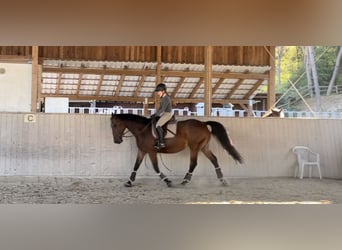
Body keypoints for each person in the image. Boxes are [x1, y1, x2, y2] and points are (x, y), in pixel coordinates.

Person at [151, 83, 173, 150]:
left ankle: (162, 142)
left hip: (168, 114)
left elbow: (163, 109)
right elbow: (160, 108)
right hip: (164, 113)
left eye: (158, 91)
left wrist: (156, 115)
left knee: (158, 125)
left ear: (163, 91)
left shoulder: (166, 98)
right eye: (157, 91)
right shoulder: (163, 98)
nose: (157, 93)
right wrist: (155, 114)